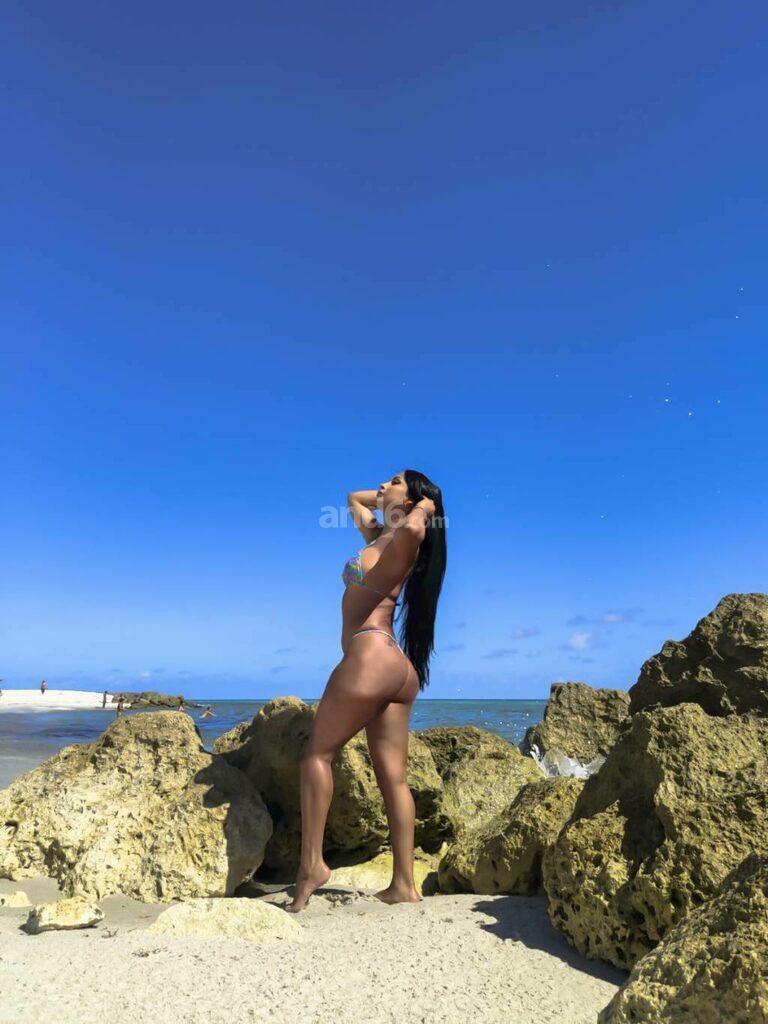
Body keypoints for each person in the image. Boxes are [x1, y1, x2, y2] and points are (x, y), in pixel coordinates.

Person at [285, 469, 446, 913]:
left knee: (317, 756)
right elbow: (352, 498)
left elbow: (414, 527)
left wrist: (425, 505)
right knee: (393, 778)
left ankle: (311, 866)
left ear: (411, 500)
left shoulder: (406, 537)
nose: (381, 486)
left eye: (393, 481)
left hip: (370, 655)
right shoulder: (380, 534)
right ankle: (403, 884)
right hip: (396, 667)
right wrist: (389, 498)